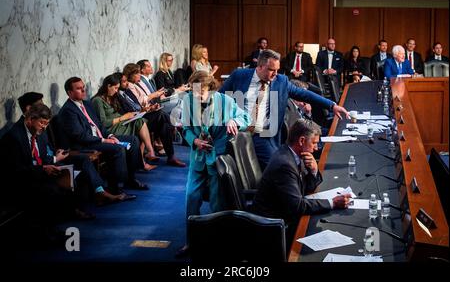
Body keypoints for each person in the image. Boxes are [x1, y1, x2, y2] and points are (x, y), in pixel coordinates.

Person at [219, 49, 349, 171]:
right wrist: (229, 118)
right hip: (238, 133)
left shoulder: (281, 81)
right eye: (271, 70)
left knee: (280, 168)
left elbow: (304, 94)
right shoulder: (239, 75)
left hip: (263, 135)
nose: (275, 74)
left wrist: (332, 105)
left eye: (277, 70)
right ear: (259, 67)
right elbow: (220, 99)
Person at [177, 70, 251, 257]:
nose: (196, 96)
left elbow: (246, 118)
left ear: (210, 89)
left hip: (218, 158)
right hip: (198, 158)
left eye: (200, 92)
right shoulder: (187, 101)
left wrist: (234, 120)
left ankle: (216, 240)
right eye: (193, 92)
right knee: (191, 198)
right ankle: (191, 242)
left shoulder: (225, 101)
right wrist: (194, 140)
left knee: (217, 203)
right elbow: (185, 128)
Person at [0, 104, 97, 245]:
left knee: (74, 176)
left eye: (46, 124)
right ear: (30, 119)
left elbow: (43, 157)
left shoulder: (39, 132)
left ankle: (58, 224)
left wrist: (52, 165)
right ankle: (45, 233)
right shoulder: (14, 137)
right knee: (51, 190)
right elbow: (15, 170)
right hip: (20, 181)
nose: (44, 127)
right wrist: (43, 169)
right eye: (42, 123)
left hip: (37, 174)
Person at [252, 119, 352, 248]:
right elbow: (297, 206)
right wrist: (333, 202)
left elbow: (305, 188)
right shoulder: (285, 164)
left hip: (285, 214)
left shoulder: (293, 154)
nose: (316, 148)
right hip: (274, 226)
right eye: (314, 143)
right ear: (301, 141)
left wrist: (314, 170)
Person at [16, 92, 125, 206]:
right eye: (40, 104)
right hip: (42, 167)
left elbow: (45, 147)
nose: (44, 106)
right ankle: (76, 208)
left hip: (54, 157)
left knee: (84, 159)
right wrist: (53, 160)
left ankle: (100, 192)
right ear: (29, 109)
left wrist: (56, 154)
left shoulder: (39, 125)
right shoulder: (19, 134)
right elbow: (22, 166)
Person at [58, 77, 143, 195]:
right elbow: (80, 136)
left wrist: (111, 135)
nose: (83, 90)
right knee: (118, 149)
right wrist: (104, 140)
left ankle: (131, 178)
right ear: (69, 92)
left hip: (98, 138)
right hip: (86, 144)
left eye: (83, 87)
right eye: (79, 89)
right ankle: (116, 188)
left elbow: (99, 126)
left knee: (133, 140)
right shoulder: (68, 111)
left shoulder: (87, 104)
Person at [115, 71, 186, 167]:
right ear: (118, 84)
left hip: (140, 116)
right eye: (123, 82)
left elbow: (137, 106)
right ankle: (171, 152)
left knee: (163, 123)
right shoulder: (118, 96)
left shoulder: (127, 92)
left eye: (126, 81)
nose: (127, 83)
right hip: (133, 122)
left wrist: (148, 109)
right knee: (161, 115)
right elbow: (128, 112)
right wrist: (144, 110)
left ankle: (171, 156)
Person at [91, 74, 158, 173]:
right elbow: (103, 123)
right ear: (108, 86)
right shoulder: (98, 101)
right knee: (140, 126)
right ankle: (145, 158)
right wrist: (122, 118)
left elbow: (124, 111)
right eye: (115, 88)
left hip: (120, 124)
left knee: (140, 121)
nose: (116, 91)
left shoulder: (113, 97)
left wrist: (135, 114)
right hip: (110, 129)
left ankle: (148, 155)